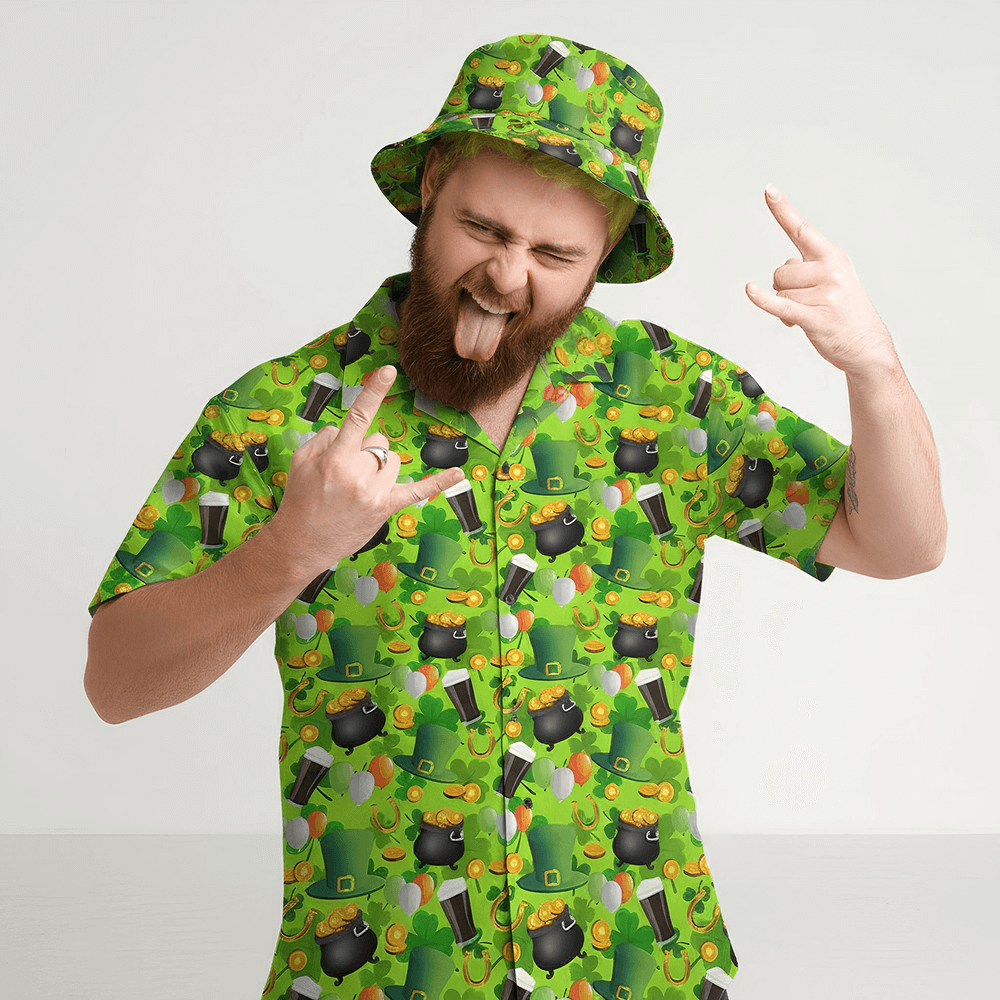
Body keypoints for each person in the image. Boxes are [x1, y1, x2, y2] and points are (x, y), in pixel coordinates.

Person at [83, 33, 945, 1000]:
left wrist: (874, 367)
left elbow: (903, 544)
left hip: (637, 966)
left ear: (606, 255)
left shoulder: (674, 397)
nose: (505, 278)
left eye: (553, 253)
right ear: (430, 187)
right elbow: (116, 681)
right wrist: (289, 550)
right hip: (376, 977)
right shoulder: (281, 413)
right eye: (483, 231)